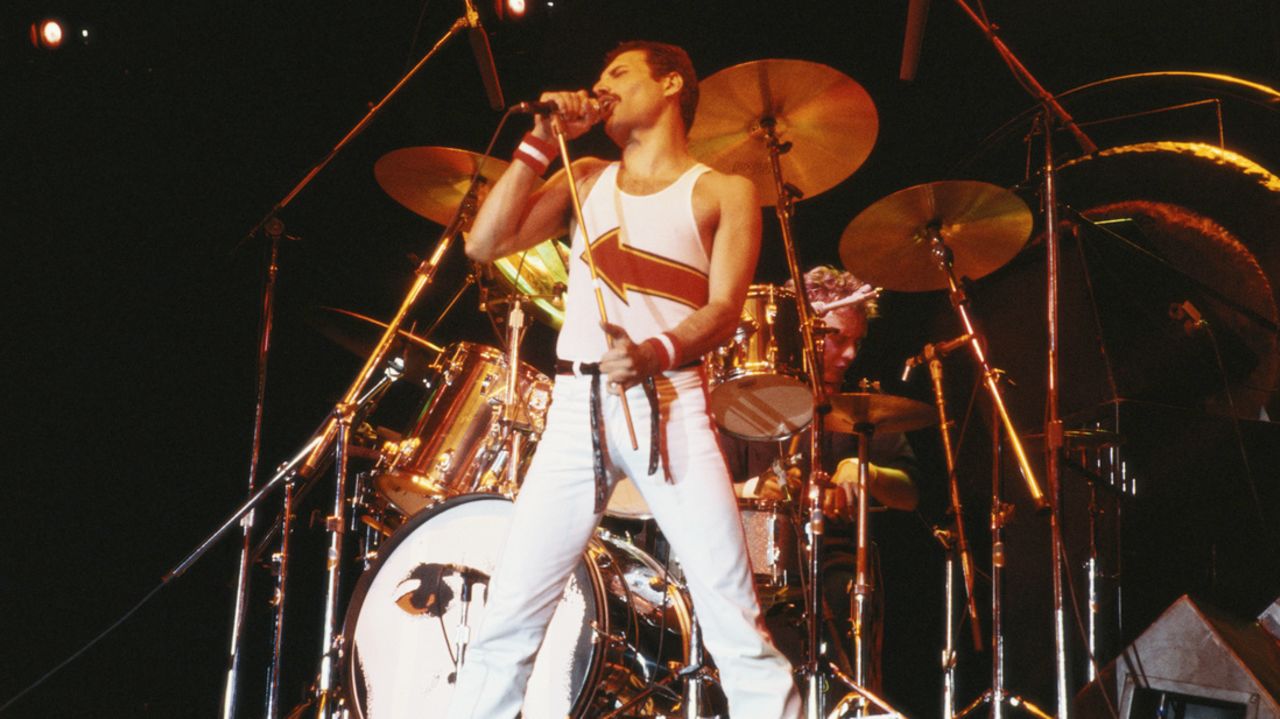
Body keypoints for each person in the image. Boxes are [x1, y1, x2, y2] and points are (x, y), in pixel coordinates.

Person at [447, 41, 802, 718]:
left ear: (671, 84)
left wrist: (654, 350)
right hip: (575, 408)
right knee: (509, 614)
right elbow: (483, 243)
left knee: (734, 622)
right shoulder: (584, 174)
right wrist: (539, 140)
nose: (599, 84)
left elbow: (725, 309)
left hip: (670, 401)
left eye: (618, 72)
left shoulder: (725, 190)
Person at [725, 265, 921, 695]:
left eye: (857, 342)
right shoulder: (744, 402)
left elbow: (909, 492)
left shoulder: (862, 409)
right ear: (802, 330)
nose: (850, 355)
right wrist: (752, 492)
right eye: (837, 338)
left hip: (831, 582)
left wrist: (866, 470)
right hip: (749, 574)